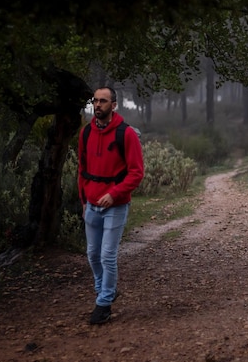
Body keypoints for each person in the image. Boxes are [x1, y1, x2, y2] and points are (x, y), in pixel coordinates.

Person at [77, 86, 144, 325]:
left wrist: (114, 194)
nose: (97, 105)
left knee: (107, 256)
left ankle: (104, 304)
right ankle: (104, 290)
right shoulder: (85, 133)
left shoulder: (126, 134)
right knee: (92, 254)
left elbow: (137, 173)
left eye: (103, 101)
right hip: (91, 205)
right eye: (95, 101)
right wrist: (84, 201)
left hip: (115, 206)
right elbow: (82, 171)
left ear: (114, 105)